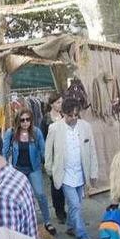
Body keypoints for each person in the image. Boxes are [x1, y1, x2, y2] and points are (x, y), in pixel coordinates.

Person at [44, 98, 99, 239]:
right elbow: (48, 151)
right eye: (70, 115)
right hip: (65, 174)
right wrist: (49, 169)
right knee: (75, 204)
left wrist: (93, 172)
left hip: (81, 173)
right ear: (63, 113)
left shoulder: (86, 127)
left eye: (76, 115)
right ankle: (82, 236)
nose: (74, 118)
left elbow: (92, 150)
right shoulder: (54, 128)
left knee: (77, 205)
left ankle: (70, 226)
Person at [3, 108, 56, 235]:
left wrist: (50, 166)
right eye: (22, 120)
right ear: (17, 121)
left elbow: (43, 150)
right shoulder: (11, 133)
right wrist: (3, 169)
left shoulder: (36, 132)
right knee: (22, 197)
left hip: (34, 168)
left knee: (40, 194)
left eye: (28, 120)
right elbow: (4, 151)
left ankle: (47, 221)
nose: (25, 122)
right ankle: (25, 220)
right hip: (17, 170)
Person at [41, 92, 66, 223]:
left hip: (64, 155)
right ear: (52, 104)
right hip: (52, 155)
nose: (60, 105)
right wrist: (45, 159)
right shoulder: (46, 119)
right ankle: (59, 210)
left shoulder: (64, 116)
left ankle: (64, 208)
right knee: (55, 184)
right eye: (58, 102)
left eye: (61, 102)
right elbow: (43, 139)